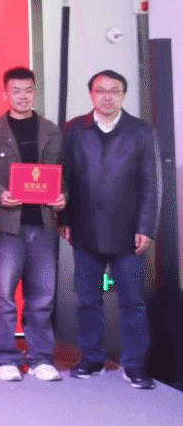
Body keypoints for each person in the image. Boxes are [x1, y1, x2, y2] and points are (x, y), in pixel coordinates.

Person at [61, 69, 162, 389]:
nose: (107, 97)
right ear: (91, 94)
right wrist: (65, 220)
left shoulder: (141, 131)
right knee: (88, 300)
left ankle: (135, 365)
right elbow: (65, 178)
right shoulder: (74, 129)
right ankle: (92, 358)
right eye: (100, 90)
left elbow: (151, 183)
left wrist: (146, 227)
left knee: (133, 302)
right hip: (85, 227)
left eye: (114, 91)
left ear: (123, 95)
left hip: (128, 232)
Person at [0, 66, 66, 382]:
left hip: (43, 224)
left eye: (28, 90)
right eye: (16, 91)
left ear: (35, 92)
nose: (23, 96)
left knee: (42, 297)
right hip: (7, 226)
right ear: (5, 94)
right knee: (3, 296)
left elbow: (64, 173)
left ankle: (41, 358)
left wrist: (63, 196)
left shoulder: (51, 130)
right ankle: (4, 358)